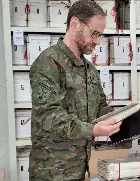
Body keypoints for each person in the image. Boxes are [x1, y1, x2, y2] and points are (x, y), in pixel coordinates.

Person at [28, 0, 122, 180]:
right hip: (50, 172)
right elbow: (49, 116)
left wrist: (126, 117)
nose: (97, 41)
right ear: (75, 23)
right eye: (94, 33)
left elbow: (100, 107)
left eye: (100, 35)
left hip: (78, 169)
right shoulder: (49, 63)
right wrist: (93, 130)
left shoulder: (89, 69)